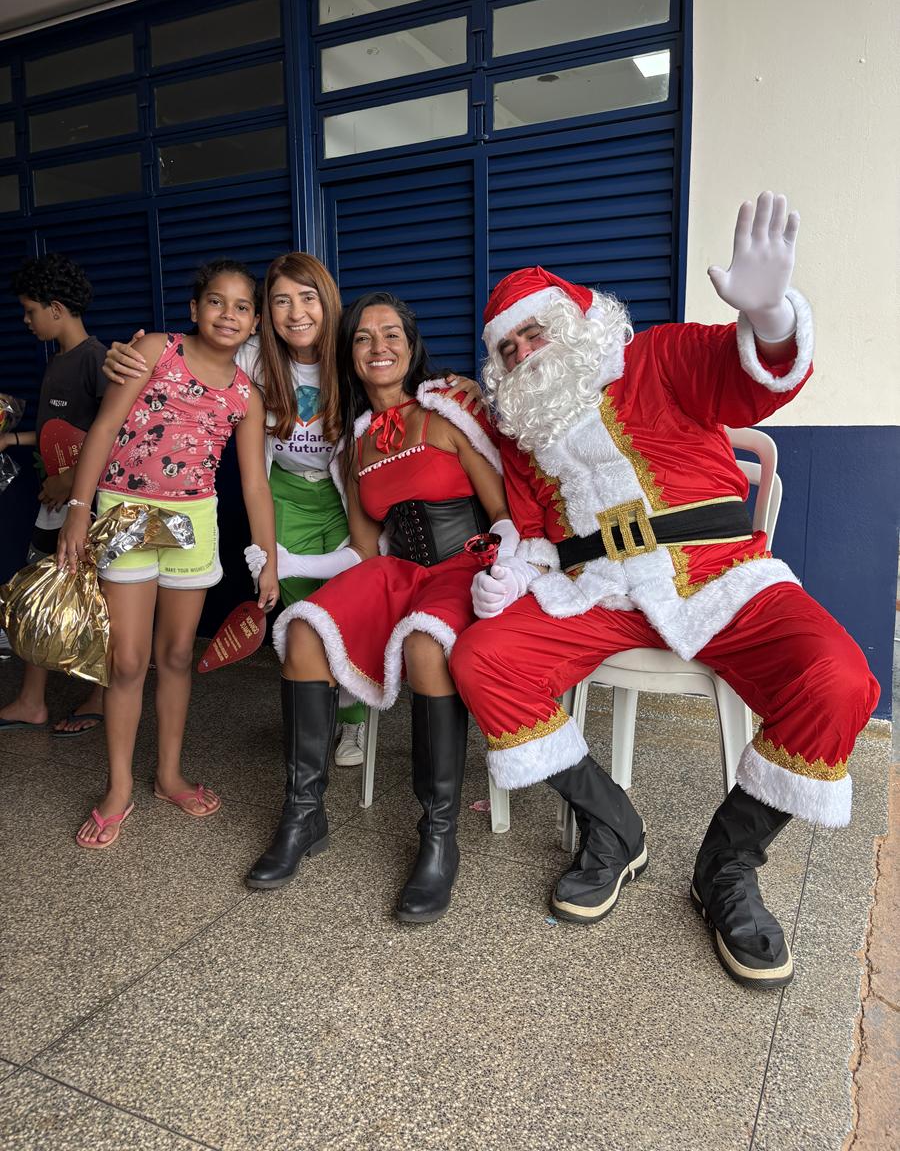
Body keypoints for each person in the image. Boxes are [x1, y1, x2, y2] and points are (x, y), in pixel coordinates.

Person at [449, 193, 879, 988]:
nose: (524, 353)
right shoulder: (524, 435)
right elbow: (534, 526)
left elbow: (750, 383)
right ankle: (613, 828)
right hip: (599, 593)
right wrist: (517, 567)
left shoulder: (654, 358)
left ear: (576, 322)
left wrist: (771, 317)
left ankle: (727, 868)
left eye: (534, 332)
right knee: (482, 659)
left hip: (722, 576)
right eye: (507, 349)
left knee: (840, 678)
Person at [103, 253, 483, 768]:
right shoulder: (253, 357)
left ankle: (353, 718)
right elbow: (196, 353)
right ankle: (315, 710)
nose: (296, 312)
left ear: (327, 303)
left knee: (357, 594)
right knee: (299, 601)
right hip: (283, 491)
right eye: (281, 301)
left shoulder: (350, 350)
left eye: (308, 298)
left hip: (344, 491)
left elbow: (398, 379)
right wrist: (124, 356)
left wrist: (461, 384)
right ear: (265, 315)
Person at [244, 291, 514, 922]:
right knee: (303, 631)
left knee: (424, 644)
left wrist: (506, 564)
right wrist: (289, 565)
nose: (377, 347)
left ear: (411, 346)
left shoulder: (449, 411)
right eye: (363, 337)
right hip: (400, 571)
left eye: (391, 334)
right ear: (350, 355)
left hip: (465, 567)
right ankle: (303, 814)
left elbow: (502, 510)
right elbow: (365, 552)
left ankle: (439, 837)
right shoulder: (354, 446)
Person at [57, 260, 278, 849]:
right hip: (127, 510)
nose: (227, 314)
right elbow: (104, 427)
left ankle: (169, 775)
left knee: (177, 654)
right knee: (128, 660)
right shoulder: (156, 350)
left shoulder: (246, 395)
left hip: (192, 519)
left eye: (241, 307)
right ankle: (119, 786)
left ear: (255, 321)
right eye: (216, 301)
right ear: (194, 309)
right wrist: (78, 510)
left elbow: (255, 485)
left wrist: (268, 560)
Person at [0, 253, 106, 737]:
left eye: (30, 310)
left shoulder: (96, 360)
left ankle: (100, 695)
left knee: (97, 601)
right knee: (40, 595)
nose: (26, 321)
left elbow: (116, 436)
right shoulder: (58, 362)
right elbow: (54, 433)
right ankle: (32, 700)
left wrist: (70, 482)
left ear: (56, 308)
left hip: (86, 508)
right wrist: (12, 439)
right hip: (53, 507)